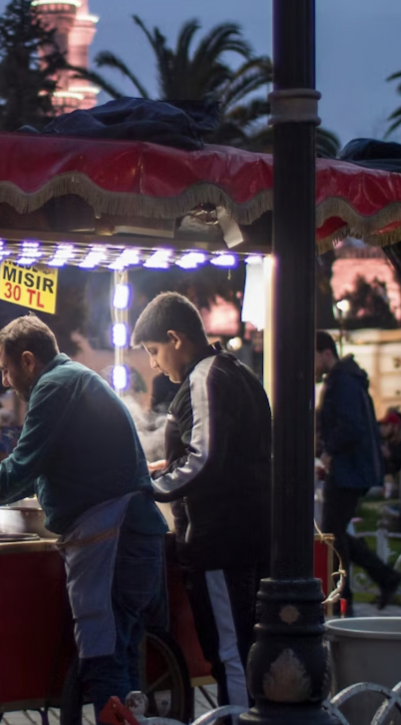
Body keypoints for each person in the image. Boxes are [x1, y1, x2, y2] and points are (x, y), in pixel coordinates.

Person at [0, 315, 167, 718]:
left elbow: (22, 466)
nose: (5, 381)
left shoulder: (54, 386)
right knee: (122, 654)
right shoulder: (73, 378)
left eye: (5, 369)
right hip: (134, 533)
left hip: (114, 537)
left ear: (28, 360)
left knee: (104, 654)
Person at [132, 292, 271, 710]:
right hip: (246, 533)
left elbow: (205, 458)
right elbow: (220, 452)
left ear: (176, 339)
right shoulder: (236, 371)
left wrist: (148, 487)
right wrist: (168, 465)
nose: (154, 364)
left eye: (154, 352)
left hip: (218, 541)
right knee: (242, 648)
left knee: (229, 654)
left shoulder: (204, 377)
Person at [315, 331, 401, 614]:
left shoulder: (341, 381)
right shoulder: (347, 379)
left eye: (312, 357)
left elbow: (350, 427)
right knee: (335, 533)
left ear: (326, 353)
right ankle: (361, 589)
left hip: (349, 470)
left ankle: (346, 598)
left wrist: (328, 451)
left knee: (332, 534)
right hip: (353, 468)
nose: (311, 366)